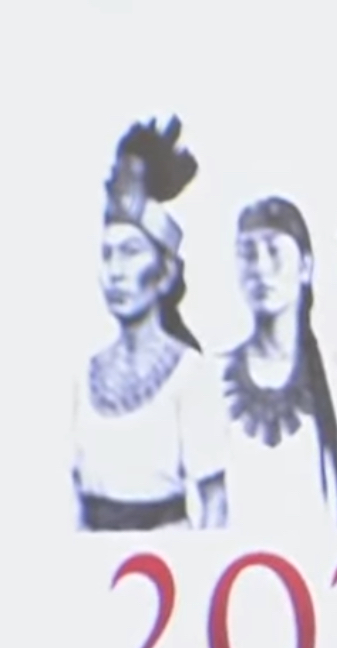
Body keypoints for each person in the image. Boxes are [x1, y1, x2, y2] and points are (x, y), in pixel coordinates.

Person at [71, 117, 224, 530]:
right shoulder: (83, 376)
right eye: (108, 255)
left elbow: (214, 505)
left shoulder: (191, 375)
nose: (116, 272)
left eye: (131, 252)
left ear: (164, 273)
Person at [217, 196, 337, 529]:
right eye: (248, 254)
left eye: (274, 252)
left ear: (305, 266)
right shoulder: (209, 384)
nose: (261, 268)